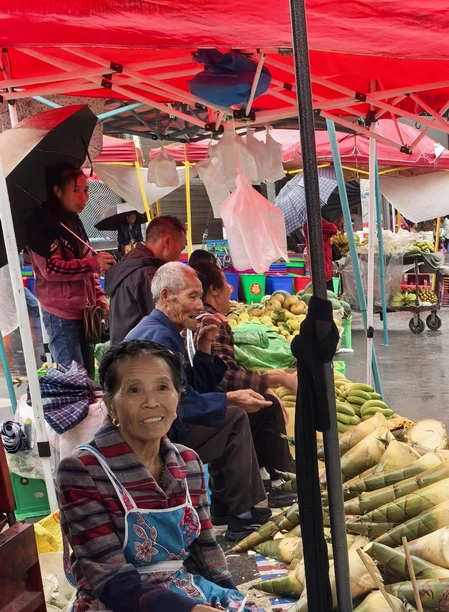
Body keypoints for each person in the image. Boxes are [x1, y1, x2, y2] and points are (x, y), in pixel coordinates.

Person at [58, 340, 303, 612]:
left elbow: (205, 550)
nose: (151, 402)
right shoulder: (83, 470)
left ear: (178, 397)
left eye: (163, 387)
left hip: (184, 589)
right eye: (133, 390)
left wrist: (238, 607)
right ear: (111, 404)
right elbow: (111, 583)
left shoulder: (186, 461)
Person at [126, 263, 269, 539]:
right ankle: (242, 514)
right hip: (157, 436)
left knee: (225, 415)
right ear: (166, 296)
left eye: (199, 296)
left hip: (165, 425)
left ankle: (227, 509)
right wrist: (229, 398)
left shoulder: (167, 330)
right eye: (192, 296)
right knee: (234, 417)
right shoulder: (157, 338)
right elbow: (177, 405)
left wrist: (204, 347)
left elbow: (189, 388)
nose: (199, 305)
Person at [195, 262, 296, 487]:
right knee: (266, 404)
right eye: (226, 284)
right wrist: (274, 380)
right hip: (203, 411)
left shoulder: (203, 318)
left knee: (261, 399)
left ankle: (265, 473)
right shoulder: (212, 322)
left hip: (201, 403)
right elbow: (226, 376)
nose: (231, 289)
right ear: (213, 289)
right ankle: (281, 478)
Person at [25, 163, 114, 376]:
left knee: (88, 377)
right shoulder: (41, 225)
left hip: (85, 312)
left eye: (86, 190)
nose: (83, 197)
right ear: (57, 191)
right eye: (76, 190)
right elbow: (51, 269)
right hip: (61, 315)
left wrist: (99, 297)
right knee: (73, 378)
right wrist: (93, 264)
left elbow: (87, 264)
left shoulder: (73, 221)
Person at [105, 215, 186, 344]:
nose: (180, 256)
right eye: (181, 249)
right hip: (138, 355)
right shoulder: (148, 273)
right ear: (167, 242)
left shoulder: (131, 262)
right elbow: (164, 319)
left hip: (123, 351)